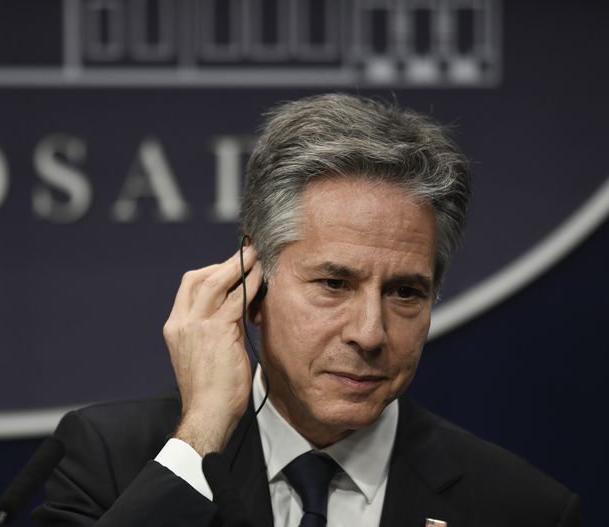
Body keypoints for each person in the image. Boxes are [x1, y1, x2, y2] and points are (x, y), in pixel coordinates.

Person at [33, 94, 580, 526]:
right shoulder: (113, 460)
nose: (370, 334)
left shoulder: (521, 508)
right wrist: (201, 437)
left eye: (406, 293)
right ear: (252, 283)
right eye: (334, 283)